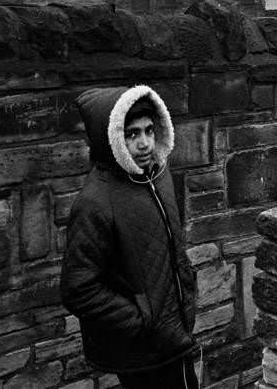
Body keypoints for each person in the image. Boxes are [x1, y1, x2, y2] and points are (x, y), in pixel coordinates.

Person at [61, 85, 199, 389]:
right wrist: (140, 320)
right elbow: (78, 289)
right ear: (110, 139)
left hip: (174, 334)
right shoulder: (95, 202)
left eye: (149, 131)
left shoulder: (158, 176)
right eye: (132, 134)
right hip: (143, 350)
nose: (145, 143)